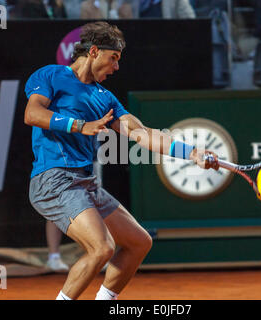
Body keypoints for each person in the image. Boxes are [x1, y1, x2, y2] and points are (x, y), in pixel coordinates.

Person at [24, 21, 219, 300]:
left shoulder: (106, 98)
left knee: (139, 242)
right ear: (93, 52)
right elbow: (32, 114)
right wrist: (79, 125)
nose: (116, 67)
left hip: (86, 184)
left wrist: (192, 153)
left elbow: (141, 133)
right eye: (113, 58)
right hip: (53, 179)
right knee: (102, 248)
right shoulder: (51, 75)